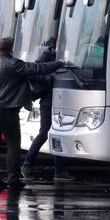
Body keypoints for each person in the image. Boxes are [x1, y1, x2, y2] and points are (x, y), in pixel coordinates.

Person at [0, 37, 62, 188]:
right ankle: (13, 179)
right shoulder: (14, 63)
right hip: (7, 110)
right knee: (13, 143)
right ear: (11, 50)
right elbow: (38, 69)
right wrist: (58, 63)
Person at [20, 41, 71, 181]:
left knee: (57, 132)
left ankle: (59, 170)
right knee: (44, 133)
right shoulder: (48, 54)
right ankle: (27, 165)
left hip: (60, 98)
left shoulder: (68, 55)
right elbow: (34, 72)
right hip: (48, 99)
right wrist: (50, 79)